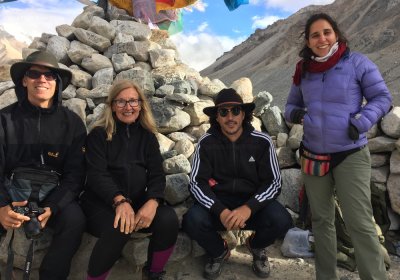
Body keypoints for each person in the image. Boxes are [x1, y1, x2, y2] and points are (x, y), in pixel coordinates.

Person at [284, 13, 392, 280]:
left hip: (350, 152)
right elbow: (290, 106)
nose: (322, 38)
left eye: (327, 32)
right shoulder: (304, 70)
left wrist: (362, 121)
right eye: (315, 35)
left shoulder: (357, 63)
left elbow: (381, 97)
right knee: (321, 222)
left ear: (336, 34)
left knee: (360, 223)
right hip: (313, 153)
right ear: (308, 41)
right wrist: (297, 116)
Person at [183, 88, 293, 280]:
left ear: (243, 114)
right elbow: (196, 184)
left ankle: (256, 245)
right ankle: (219, 251)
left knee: (282, 220)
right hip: (219, 207)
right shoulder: (206, 143)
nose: (230, 117)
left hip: (252, 206)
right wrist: (220, 210)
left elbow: (273, 182)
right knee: (192, 220)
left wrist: (249, 208)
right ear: (216, 117)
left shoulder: (262, 142)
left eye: (235, 111)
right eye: (223, 112)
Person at [0, 51, 87, 279]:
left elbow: (75, 174)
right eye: (34, 74)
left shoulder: (73, 124)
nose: (42, 80)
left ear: (57, 83)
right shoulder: (4, 120)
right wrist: (1, 206)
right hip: (11, 193)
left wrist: (54, 206)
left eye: (49, 75)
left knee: (74, 220)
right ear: (24, 80)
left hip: (52, 193)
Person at [81, 80, 179, 280]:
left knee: (168, 218)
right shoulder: (98, 135)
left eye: (133, 101)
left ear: (141, 104)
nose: (128, 107)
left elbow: (156, 175)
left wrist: (153, 201)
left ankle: (154, 273)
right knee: (120, 226)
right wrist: (119, 201)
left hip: (135, 201)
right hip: (99, 204)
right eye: (121, 102)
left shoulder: (148, 137)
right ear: (112, 106)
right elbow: (96, 174)